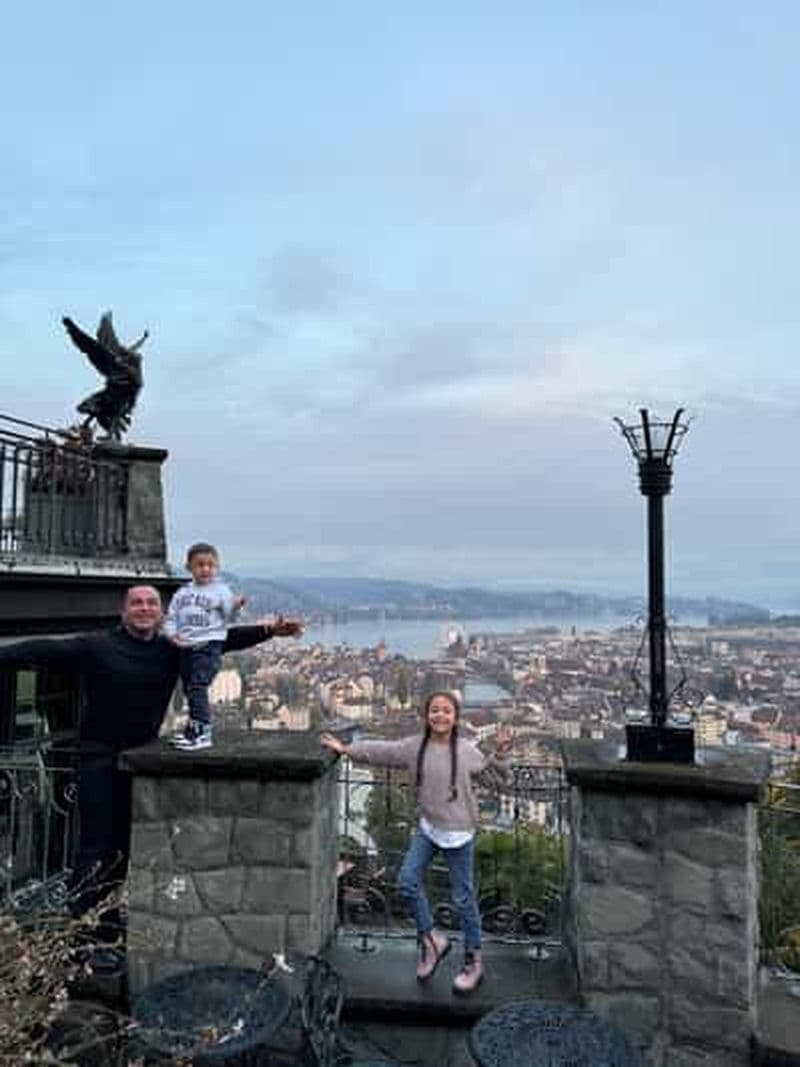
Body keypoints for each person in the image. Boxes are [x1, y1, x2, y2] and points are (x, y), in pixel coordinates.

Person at [0, 584, 302, 947]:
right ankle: (78, 938)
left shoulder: (169, 649)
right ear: (124, 612)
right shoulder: (97, 646)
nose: (144, 608)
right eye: (137, 603)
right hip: (98, 757)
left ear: (160, 613)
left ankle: (107, 925)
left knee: (123, 849)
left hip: (139, 761)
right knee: (94, 847)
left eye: (151, 603)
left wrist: (270, 630)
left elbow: (222, 639)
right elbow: (43, 650)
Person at [321, 690, 512, 994]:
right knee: (407, 881)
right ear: (427, 716)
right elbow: (382, 751)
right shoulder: (415, 747)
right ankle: (432, 940)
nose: (440, 715)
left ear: (455, 717)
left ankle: (474, 960)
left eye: (446, 711)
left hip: (459, 832)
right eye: (435, 710)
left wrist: (500, 754)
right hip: (428, 828)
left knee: (463, 899)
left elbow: (495, 780)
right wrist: (346, 749)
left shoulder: (466, 750)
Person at [163, 541, 248, 751]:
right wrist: (171, 635)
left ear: (217, 567)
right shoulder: (182, 593)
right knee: (189, 690)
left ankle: (203, 734)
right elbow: (171, 617)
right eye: (200, 564)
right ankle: (192, 732)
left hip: (208, 647)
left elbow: (230, 617)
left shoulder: (221, 590)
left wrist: (236, 607)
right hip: (185, 648)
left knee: (197, 687)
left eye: (210, 565)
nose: (206, 569)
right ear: (189, 568)